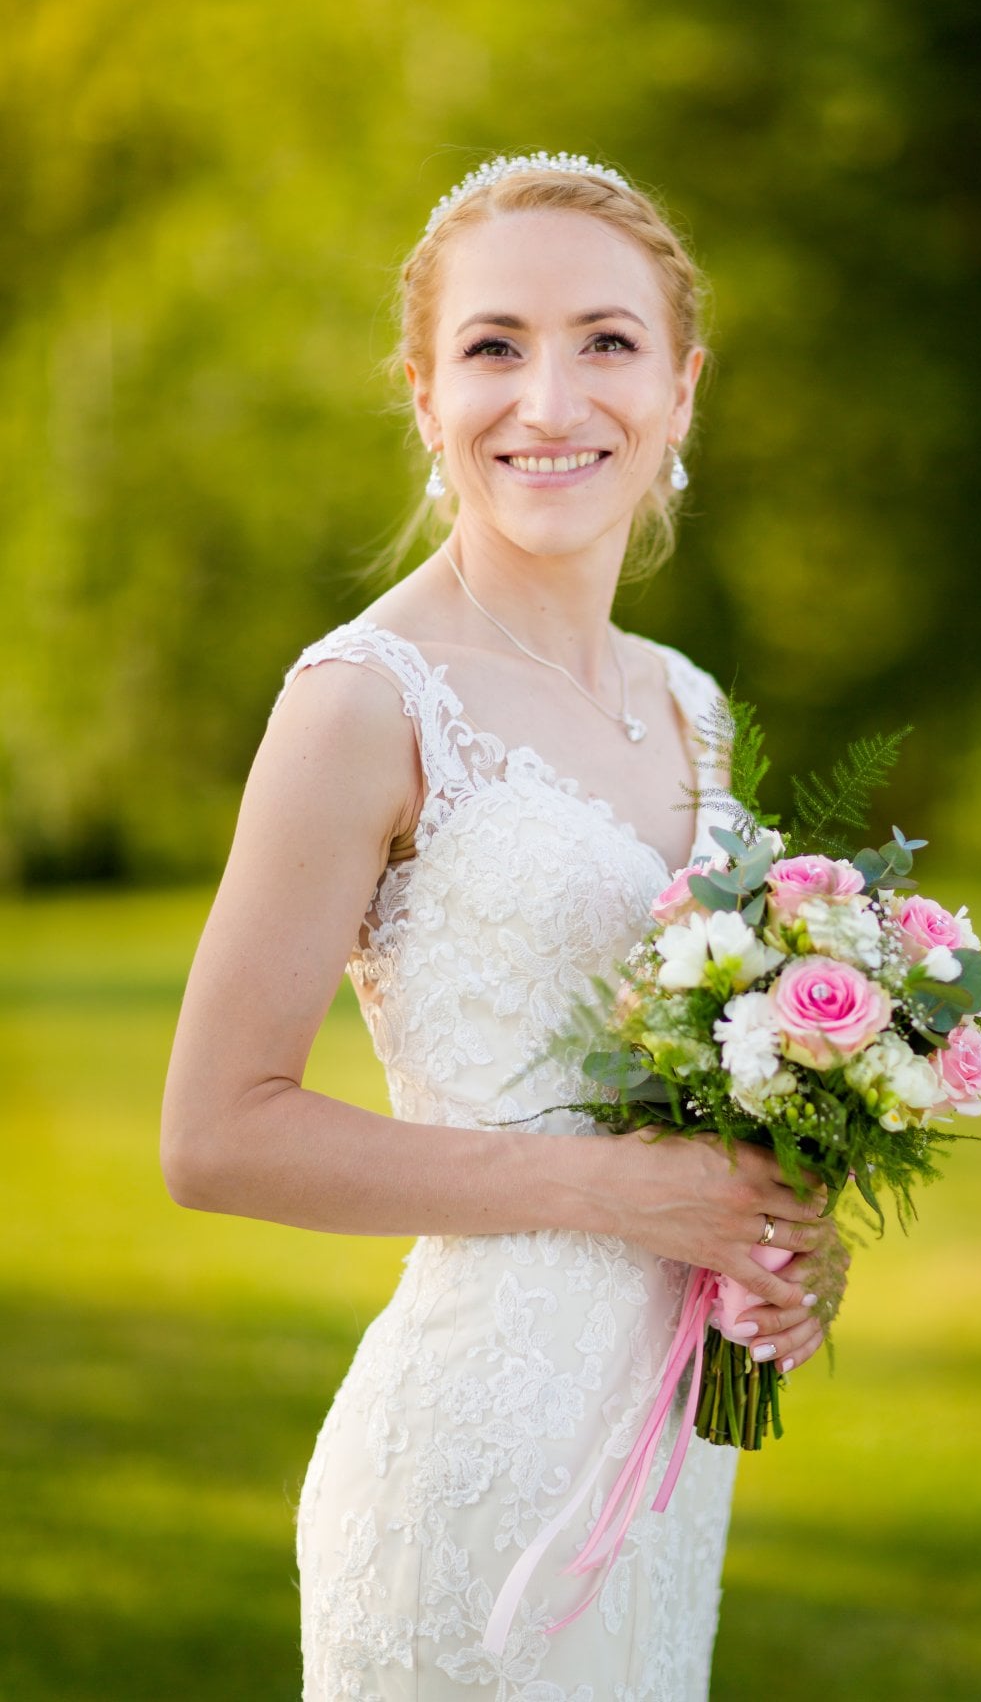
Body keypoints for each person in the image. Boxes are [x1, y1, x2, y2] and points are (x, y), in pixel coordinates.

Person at [161, 151, 849, 1701]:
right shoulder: (362, 703)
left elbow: (701, 1087)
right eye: (493, 346)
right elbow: (214, 1134)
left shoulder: (692, 707)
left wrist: (780, 1232)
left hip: (662, 1466)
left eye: (607, 341)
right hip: (465, 1476)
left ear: (682, 386)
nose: (550, 400)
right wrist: (626, 1193)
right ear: (423, 394)